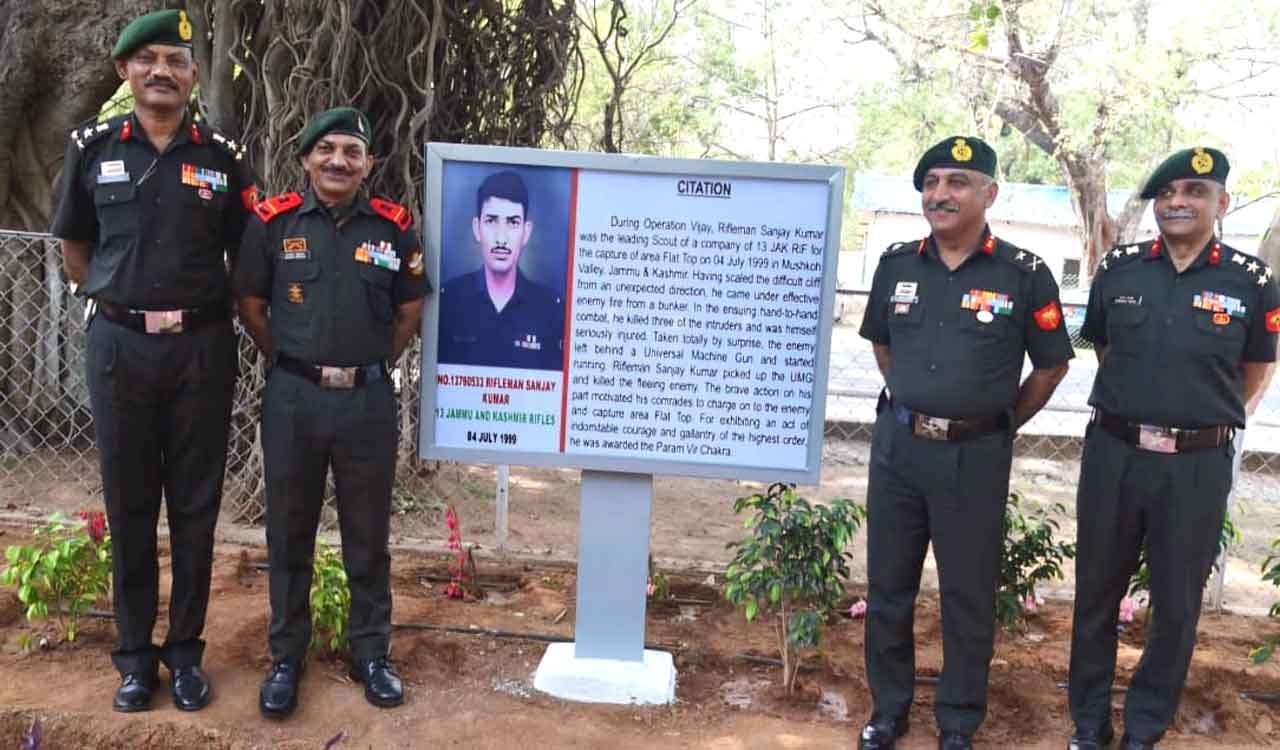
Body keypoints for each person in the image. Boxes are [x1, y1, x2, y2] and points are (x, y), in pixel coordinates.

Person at [48, 9, 258, 713]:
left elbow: (246, 254)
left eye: (175, 60)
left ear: (194, 74)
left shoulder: (222, 155)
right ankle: (135, 660)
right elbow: (75, 248)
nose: (161, 71)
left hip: (202, 350)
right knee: (130, 506)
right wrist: (119, 303)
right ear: (124, 71)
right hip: (121, 349)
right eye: (148, 60)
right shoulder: (91, 146)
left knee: (195, 509)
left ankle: (185, 655)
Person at [857, 136, 1074, 750]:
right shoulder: (897, 264)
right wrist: (917, 405)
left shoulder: (1024, 273)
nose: (940, 194)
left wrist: (992, 424)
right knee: (889, 589)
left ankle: (957, 721)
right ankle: (888, 710)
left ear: (989, 193)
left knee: (968, 595)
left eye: (956, 181)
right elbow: (883, 345)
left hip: (974, 458)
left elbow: (1052, 366)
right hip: (899, 452)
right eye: (931, 183)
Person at [1067, 148, 1279, 750]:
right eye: (1166, 194)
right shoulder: (1120, 269)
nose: (1177, 203)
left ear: (1221, 203)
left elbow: (1256, 369)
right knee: (1095, 595)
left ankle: (1143, 728)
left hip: (1195, 466)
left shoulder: (1252, 281)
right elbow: (1103, 348)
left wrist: (1199, 419)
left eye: (1193, 191)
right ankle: (1089, 724)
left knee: (1177, 604)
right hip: (1115, 455)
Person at [234, 107, 429, 718]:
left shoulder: (394, 228)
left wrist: (371, 362)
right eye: (327, 150)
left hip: (367, 402)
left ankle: (371, 653)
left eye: (352, 151)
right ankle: (286, 657)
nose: (338, 161)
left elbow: (409, 312)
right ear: (306, 159)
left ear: (369, 163)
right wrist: (293, 361)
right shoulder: (272, 223)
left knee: (367, 536)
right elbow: (252, 305)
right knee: (288, 532)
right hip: (294, 399)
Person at [437, 170, 564, 370]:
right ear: (477, 228)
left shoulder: (551, 310)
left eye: (513, 223)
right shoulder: (448, 301)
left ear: (526, 232)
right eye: (491, 221)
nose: (501, 239)